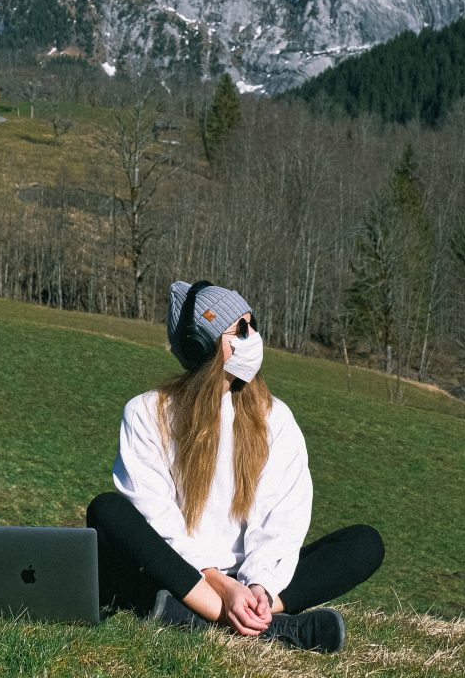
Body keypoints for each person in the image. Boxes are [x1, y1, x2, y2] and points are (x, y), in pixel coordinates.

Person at [86, 280, 385, 653]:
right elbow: (157, 519)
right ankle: (266, 628)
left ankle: (225, 615)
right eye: (240, 329)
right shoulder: (148, 413)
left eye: (253, 324)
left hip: (250, 578)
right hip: (184, 573)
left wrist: (257, 586)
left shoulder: (274, 417)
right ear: (202, 346)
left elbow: (282, 519)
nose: (253, 337)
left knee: (364, 544)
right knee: (107, 511)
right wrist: (220, 588)